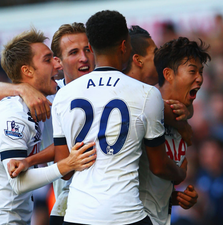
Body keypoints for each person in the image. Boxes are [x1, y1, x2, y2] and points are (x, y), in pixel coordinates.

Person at [51, 10, 186, 225]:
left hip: (77, 215)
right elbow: (159, 165)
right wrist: (180, 174)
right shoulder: (147, 94)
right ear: (124, 46)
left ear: (92, 48)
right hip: (125, 215)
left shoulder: (63, 96)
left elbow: (64, 170)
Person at [0, 28, 96, 224]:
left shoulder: (54, 97)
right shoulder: (13, 114)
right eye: (48, 60)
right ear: (27, 71)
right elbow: (19, 182)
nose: (57, 64)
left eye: (88, 50)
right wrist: (67, 164)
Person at [124, 26, 202, 225]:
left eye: (200, 72)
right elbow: (159, 169)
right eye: (192, 71)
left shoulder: (180, 116)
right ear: (168, 75)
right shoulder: (141, 107)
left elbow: (157, 180)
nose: (200, 79)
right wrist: (181, 174)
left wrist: (176, 198)